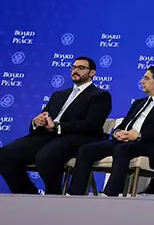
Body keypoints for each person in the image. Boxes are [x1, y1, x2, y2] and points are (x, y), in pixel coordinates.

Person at [0, 57, 112, 194]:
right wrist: (37, 121)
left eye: (81, 68)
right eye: (74, 67)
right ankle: (28, 195)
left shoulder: (100, 95)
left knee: (45, 157)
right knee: (4, 155)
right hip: (46, 136)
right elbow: (45, 115)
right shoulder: (59, 94)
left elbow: (91, 125)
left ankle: (54, 196)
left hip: (75, 138)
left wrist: (58, 126)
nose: (75, 71)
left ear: (92, 73)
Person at [66, 66, 154, 196]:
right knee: (87, 149)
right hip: (125, 141)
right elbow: (124, 124)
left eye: (146, 78)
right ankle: (75, 193)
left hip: (151, 144)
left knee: (122, 150)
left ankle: (111, 193)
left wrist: (138, 136)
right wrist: (117, 133)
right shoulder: (138, 102)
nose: (142, 81)